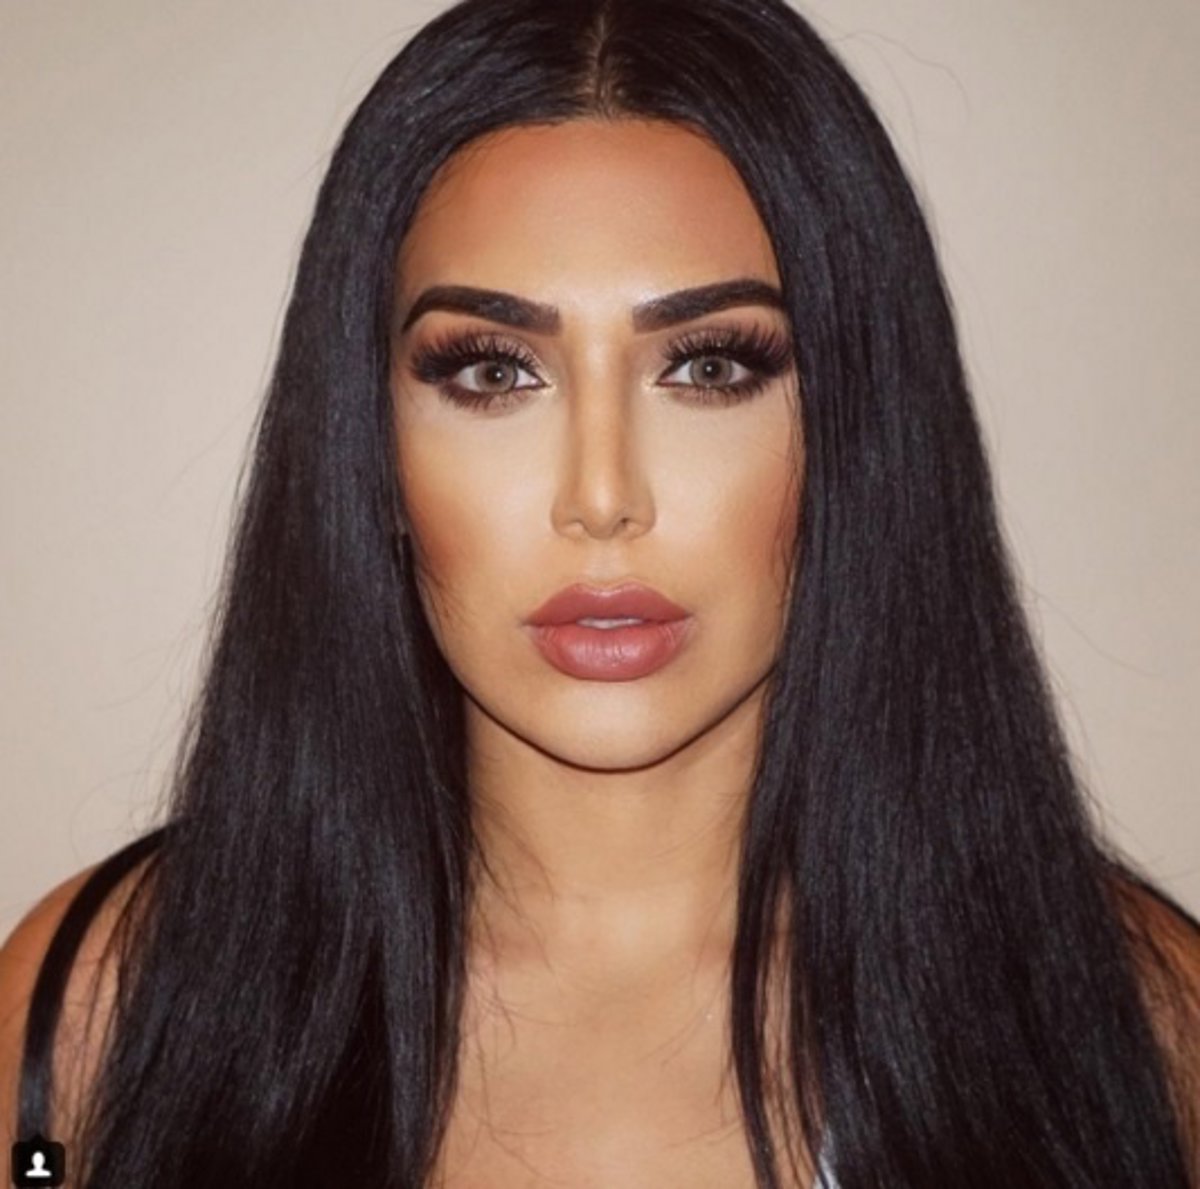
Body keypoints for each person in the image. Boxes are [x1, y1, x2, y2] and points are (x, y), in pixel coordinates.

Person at [1, 1, 1197, 1186]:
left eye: (710, 365)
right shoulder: (94, 1017)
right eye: (492, 371)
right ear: (369, 446)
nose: (603, 497)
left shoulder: (1137, 1026)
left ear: (859, 429)